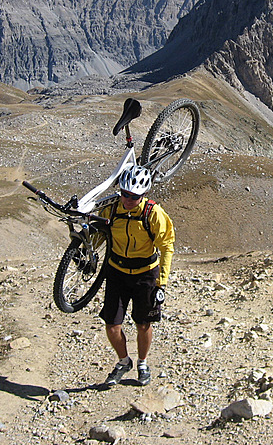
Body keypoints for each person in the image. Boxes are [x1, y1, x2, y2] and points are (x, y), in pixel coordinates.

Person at [98, 165, 175, 386]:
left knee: (143, 324)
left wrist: (162, 281)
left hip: (146, 274)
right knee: (112, 324)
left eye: (134, 196)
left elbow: (167, 245)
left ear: (143, 194)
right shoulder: (111, 210)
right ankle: (123, 361)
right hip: (117, 271)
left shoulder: (154, 214)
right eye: (125, 193)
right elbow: (99, 234)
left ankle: (142, 362)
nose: (128, 199)